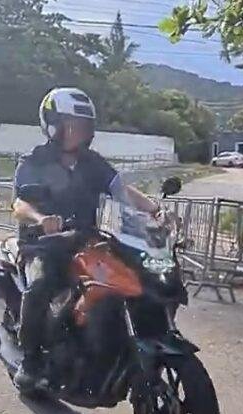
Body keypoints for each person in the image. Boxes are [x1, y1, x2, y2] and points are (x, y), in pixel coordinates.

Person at [11, 87, 161, 392]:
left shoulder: (93, 163)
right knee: (40, 287)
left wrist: (155, 210)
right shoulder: (34, 162)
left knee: (127, 278)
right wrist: (42, 220)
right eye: (71, 125)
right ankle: (29, 359)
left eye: (83, 126)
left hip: (84, 242)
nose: (78, 132)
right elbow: (20, 204)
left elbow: (122, 191)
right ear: (52, 125)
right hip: (43, 245)